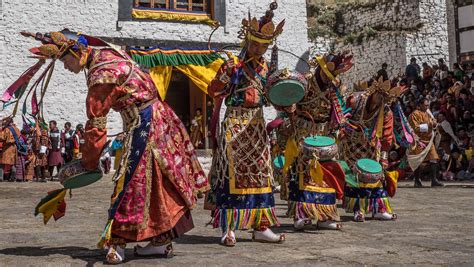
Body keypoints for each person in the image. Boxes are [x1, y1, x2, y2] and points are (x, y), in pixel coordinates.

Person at [17, 29, 209, 263]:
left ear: (77, 52)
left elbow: (97, 124)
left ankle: (117, 242)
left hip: (146, 125)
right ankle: (160, 241)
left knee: (131, 183)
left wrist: (89, 161)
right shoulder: (109, 54)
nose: (66, 67)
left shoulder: (101, 75)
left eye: (65, 60)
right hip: (158, 120)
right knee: (157, 182)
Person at [206, 2, 285, 246]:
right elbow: (213, 90)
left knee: (262, 173)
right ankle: (228, 227)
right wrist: (225, 74)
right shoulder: (232, 64)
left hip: (257, 125)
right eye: (255, 44)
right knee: (232, 173)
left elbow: (273, 96)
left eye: (264, 46)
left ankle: (261, 225)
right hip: (235, 122)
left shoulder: (267, 67)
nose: (259, 49)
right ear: (246, 41)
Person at [407, 98, 444, 187]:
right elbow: (415, 128)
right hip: (418, 140)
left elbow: (432, 124)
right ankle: (417, 180)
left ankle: (434, 180)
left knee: (433, 158)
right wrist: (430, 125)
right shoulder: (414, 114)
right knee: (418, 161)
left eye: (428, 105)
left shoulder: (428, 114)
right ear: (420, 105)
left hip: (428, 140)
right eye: (425, 105)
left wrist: (434, 124)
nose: (427, 107)